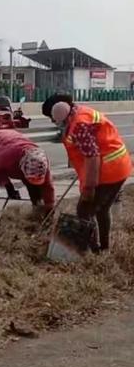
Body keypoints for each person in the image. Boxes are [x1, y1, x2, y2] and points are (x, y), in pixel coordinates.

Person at [44, 96, 132, 251]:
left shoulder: (79, 127)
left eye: (57, 122)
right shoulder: (82, 111)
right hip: (120, 167)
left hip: (108, 172)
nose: (57, 124)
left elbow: (92, 157)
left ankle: (91, 249)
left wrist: (89, 188)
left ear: (63, 119)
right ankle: (104, 249)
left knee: (84, 210)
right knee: (102, 209)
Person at [0, 129, 55, 218]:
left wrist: (50, 209)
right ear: (22, 168)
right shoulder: (7, 156)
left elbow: (48, 186)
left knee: (34, 186)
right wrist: (7, 185)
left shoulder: (42, 163)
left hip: (13, 140)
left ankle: (37, 213)